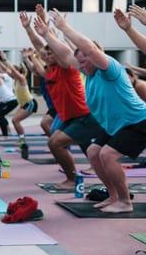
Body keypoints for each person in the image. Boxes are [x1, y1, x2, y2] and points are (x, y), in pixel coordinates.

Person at [49, 9, 146, 213]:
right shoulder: (89, 73)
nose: (81, 64)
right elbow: (67, 55)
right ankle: (113, 196)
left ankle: (125, 202)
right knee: (94, 152)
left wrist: (64, 27)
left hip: (138, 121)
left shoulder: (109, 69)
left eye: (84, 59)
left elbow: (91, 50)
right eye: (80, 62)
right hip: (116, 125)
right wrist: (45, 34)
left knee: (108, 155)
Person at [32, 12, 105, 190]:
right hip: (71, 117)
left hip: (86, 116)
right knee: (55, 140)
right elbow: (42, 48)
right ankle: (74, 177)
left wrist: (51, 32)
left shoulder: (66, 67)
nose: (46, 55)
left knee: (57, 142)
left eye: (50, 53)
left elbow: (61, 50)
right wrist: (30, 29)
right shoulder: (51, 70)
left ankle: (74, 180)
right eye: (45, 54)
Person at [0, 51, 38, 149]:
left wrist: (5, 59)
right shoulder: (16, 79)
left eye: (13, 72)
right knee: (15, 121)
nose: (10, 73)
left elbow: (12, 70)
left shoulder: (22, 78)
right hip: (23, 104)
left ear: (18, 72)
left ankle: (22, 140)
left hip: (30, 103)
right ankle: (21, 139)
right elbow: (7, 69)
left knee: (15, 120)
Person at [22, 47, 56, 135]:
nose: (47, 57)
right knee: (54, 127)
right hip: (52, 106)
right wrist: (27, 58)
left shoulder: (48, 72)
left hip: (57, 107)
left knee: (44, 124)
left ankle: (57, 141)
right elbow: (34, 69)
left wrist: (33, 56)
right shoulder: (42, 74)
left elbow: (37, 67)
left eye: (49, 54)